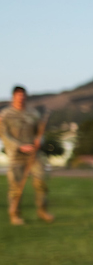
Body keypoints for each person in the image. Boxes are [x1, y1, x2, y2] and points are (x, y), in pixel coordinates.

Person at [0, 86, 54, 225]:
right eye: (18, 95)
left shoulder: (33, 113)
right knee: (15, 187)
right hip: (16, 156)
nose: (21, 98)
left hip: (34, 155)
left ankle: (42, 210)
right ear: (14, 97)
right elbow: (4, 135)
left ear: (26, 97)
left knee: (41, 181)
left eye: (23, 95)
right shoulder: (6, 115)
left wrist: (39, 141)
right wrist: (19, 146)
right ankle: (15, 214)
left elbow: (39, 133)